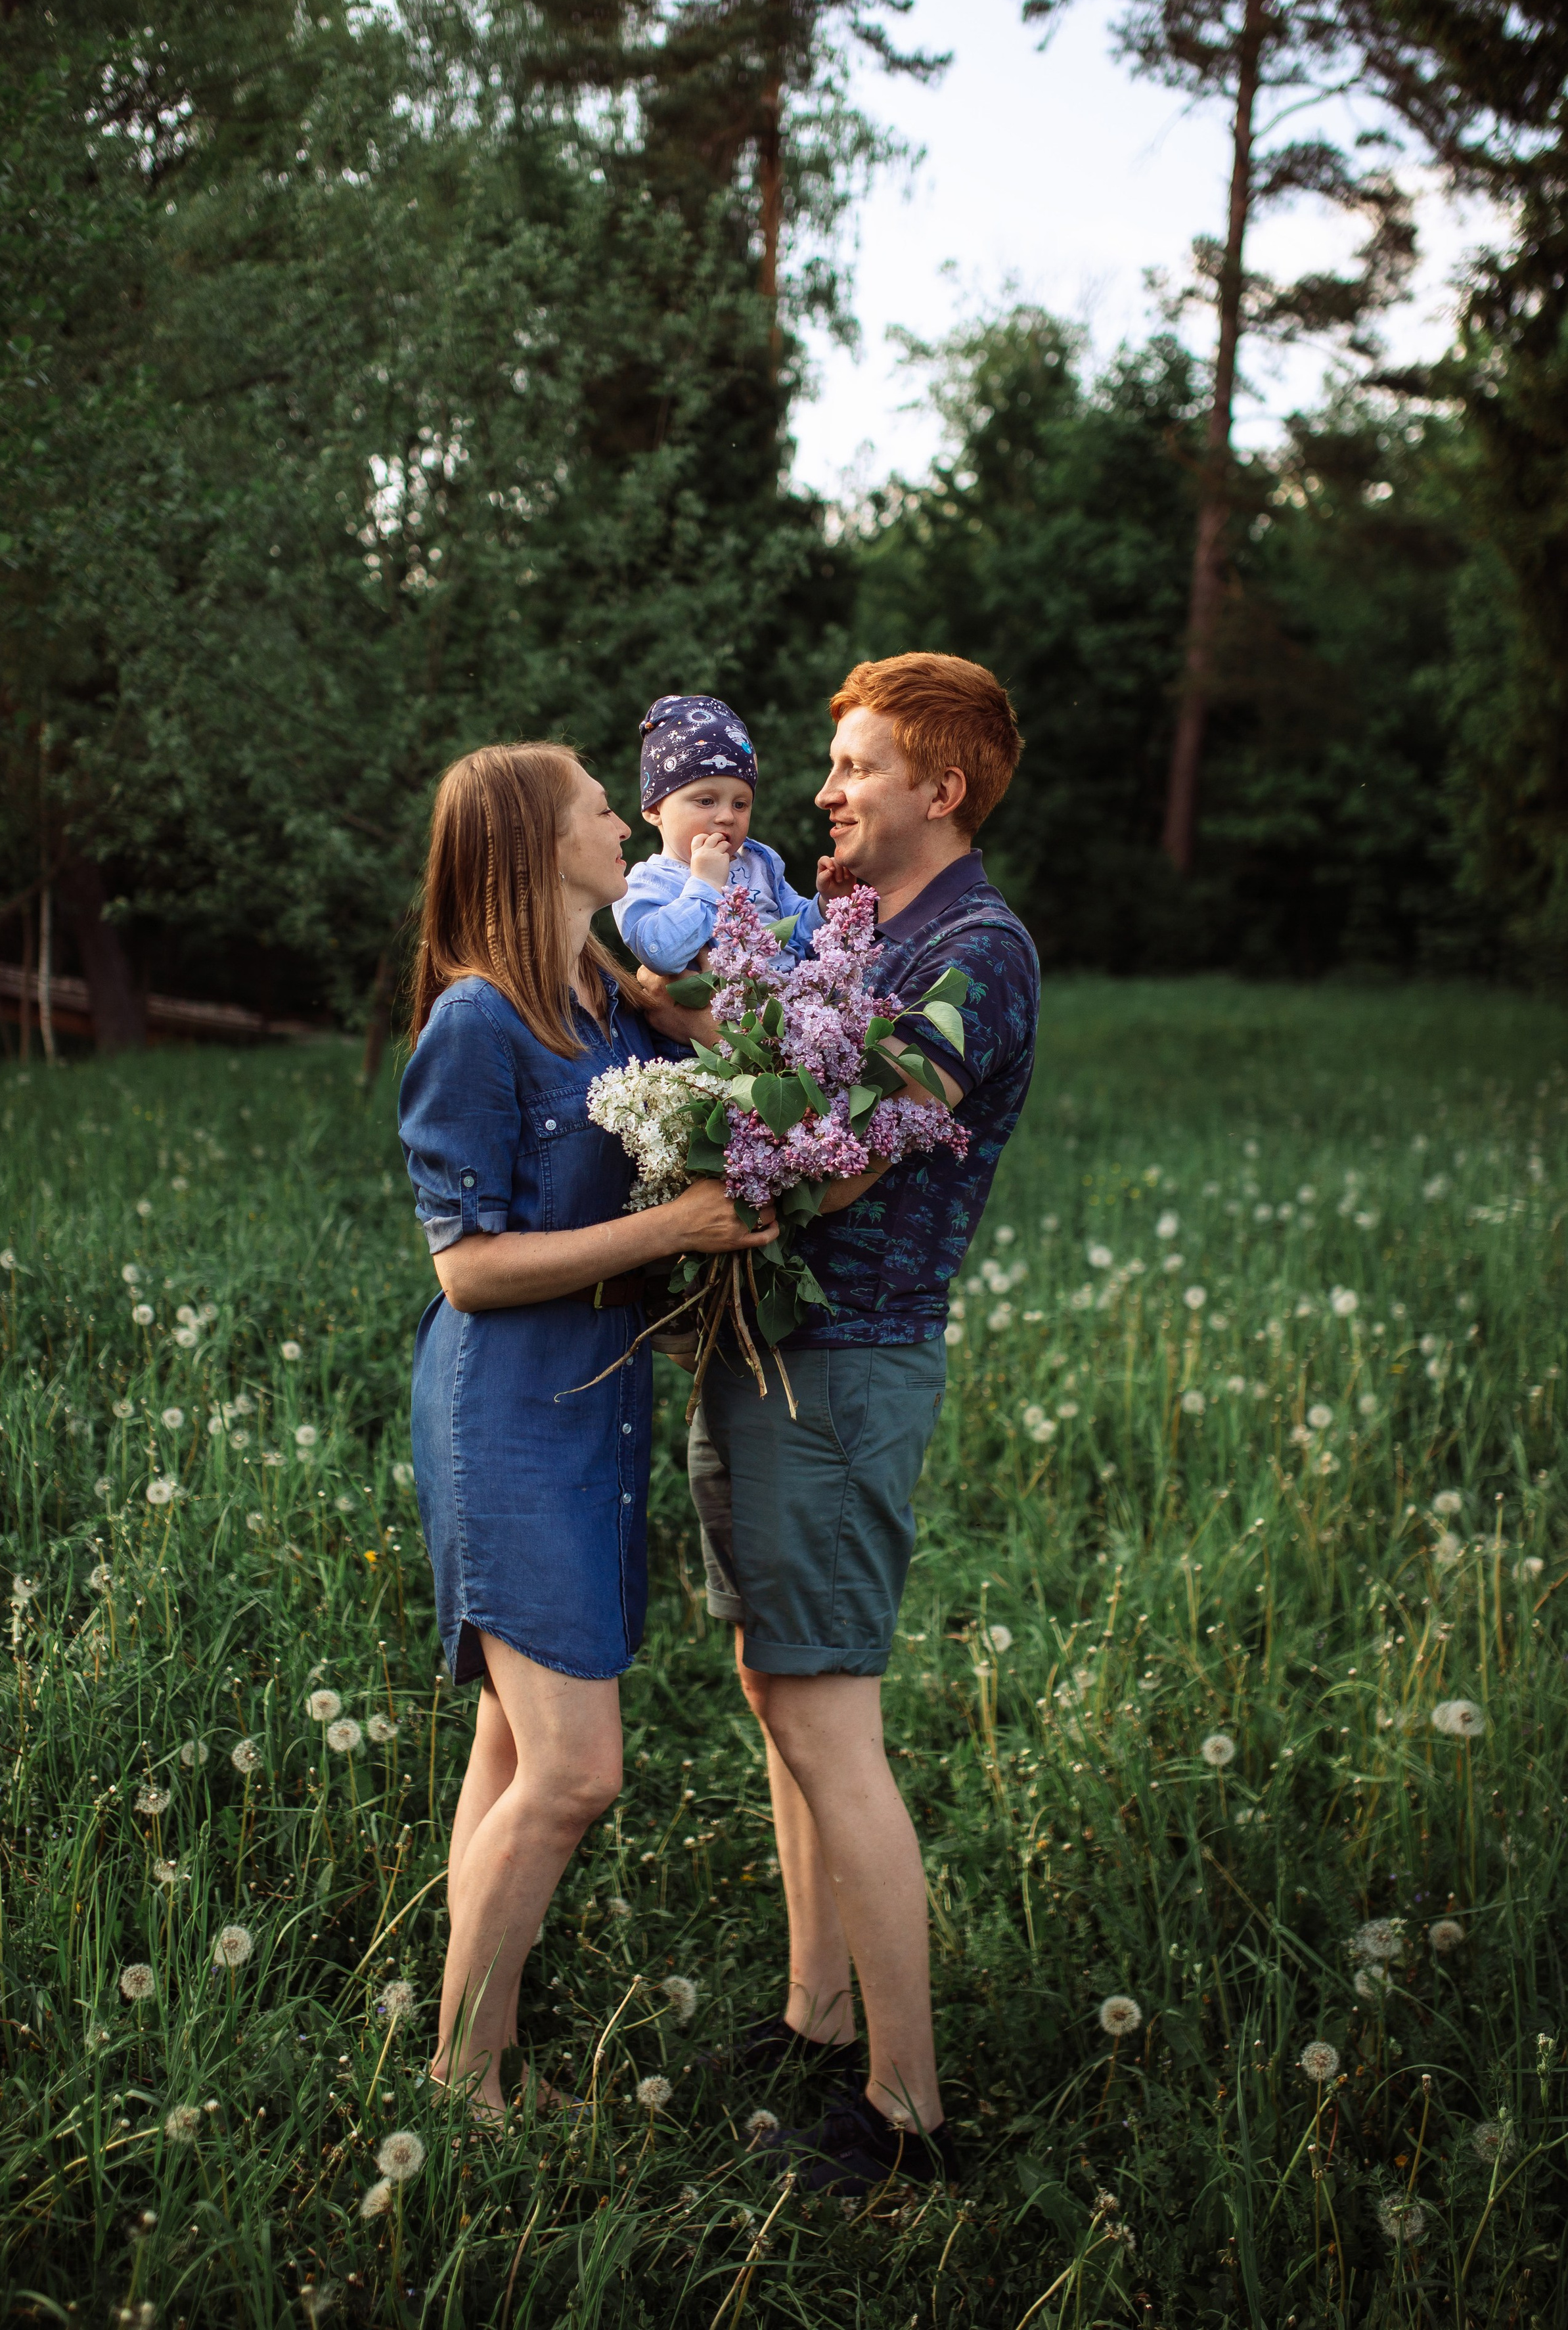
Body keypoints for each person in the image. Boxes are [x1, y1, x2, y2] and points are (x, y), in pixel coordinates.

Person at [652, 652, 1039, 2192]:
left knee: (831, 1720)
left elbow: (847, 1159)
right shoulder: (864, 930)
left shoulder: (973, 947)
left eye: (856, 767)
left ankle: (904, 2110)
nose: (821, 793)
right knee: (776, 1691)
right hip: (779, 1345)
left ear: (936, 788)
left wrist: (660, 1191)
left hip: (847, 1359)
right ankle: (817, 2022)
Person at [397, 740, 776, 2113]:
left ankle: (483, 2065)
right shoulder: (478, 1022)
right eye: (601, 812)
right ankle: (454, 2079)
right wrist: (671, 1226)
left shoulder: (610, 1011)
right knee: (572, 1772)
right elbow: (465, 1266)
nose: (628, 825)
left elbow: (727, 1084)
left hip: (600, 1396)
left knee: (510, 1752)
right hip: (503, 1406)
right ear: (529, 846)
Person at [614, 692, 848, 974]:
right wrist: (706, 885)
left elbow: (795, 934)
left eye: (740, 804)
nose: (727, 817)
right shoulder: (646, 884)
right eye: (706, 801)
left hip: (793, 1007)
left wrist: (826, 904)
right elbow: (660, 955)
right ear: (654, 810)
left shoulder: (759, 861)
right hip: (725, 1013)